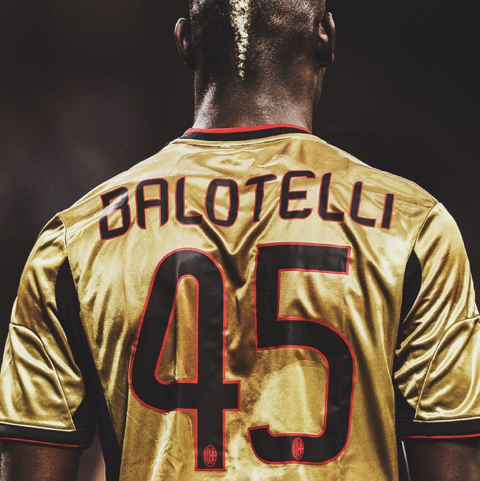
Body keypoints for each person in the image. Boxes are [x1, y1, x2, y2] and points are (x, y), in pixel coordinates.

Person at [1, 0, 480, 479]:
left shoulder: (75, 240)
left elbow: (30, 464)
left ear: (185, 42)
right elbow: (453, 465)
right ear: (326, 37)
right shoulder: (414, 230)